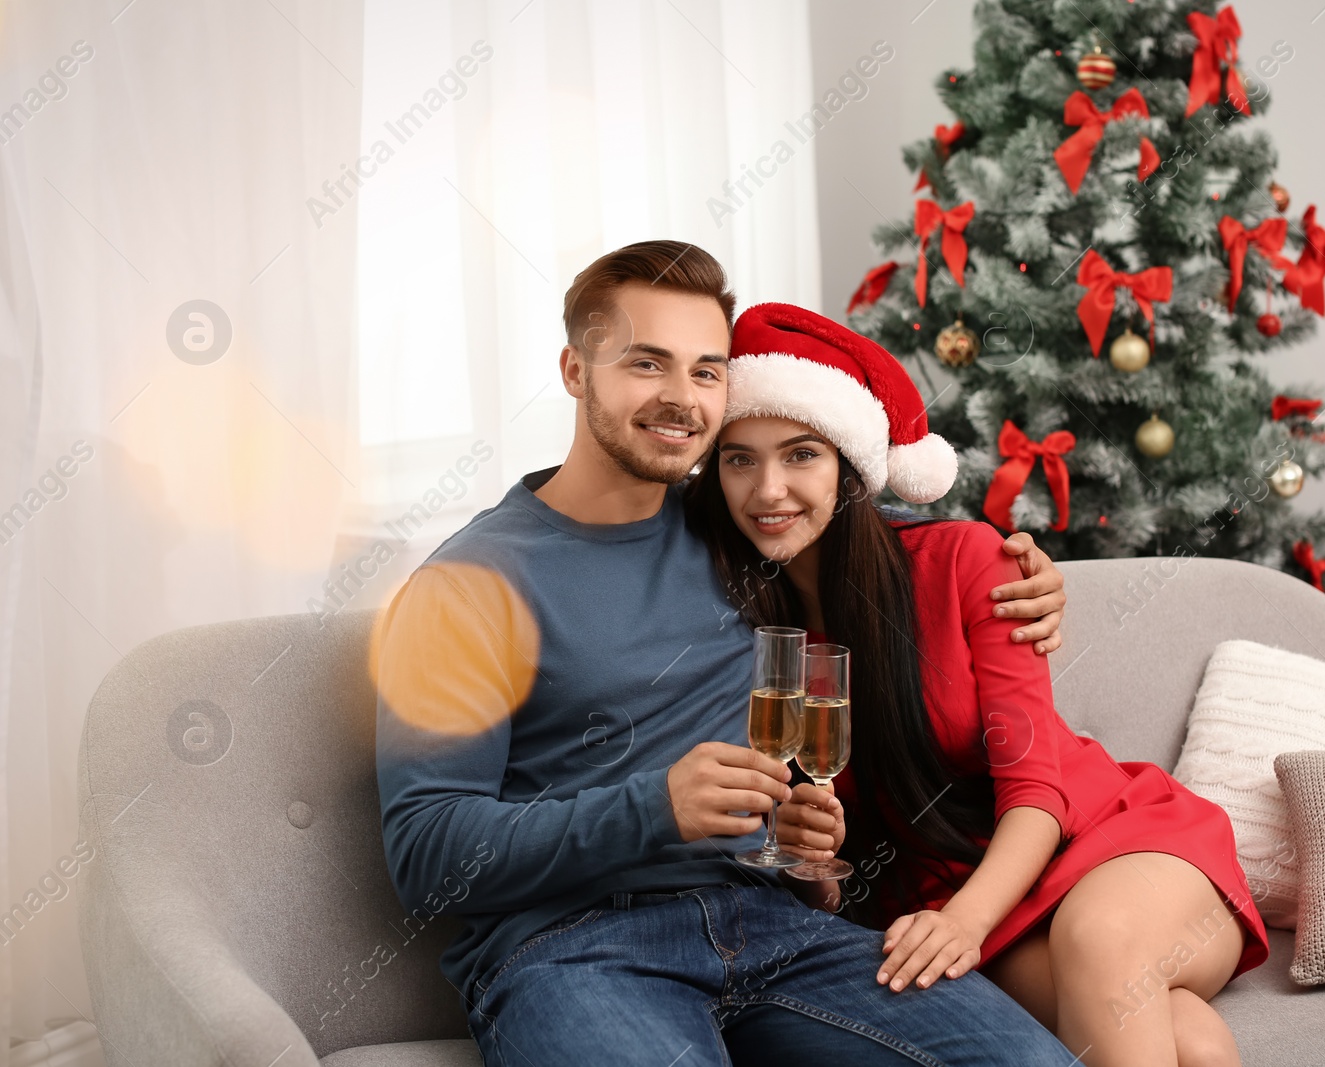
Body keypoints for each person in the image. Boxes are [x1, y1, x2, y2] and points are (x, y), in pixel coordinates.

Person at [372, 241, 1085, 1067]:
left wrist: (1020, 568)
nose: (682, 398)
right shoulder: (465, 586)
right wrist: (654, 807)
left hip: (779, 928)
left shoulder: (733, 529)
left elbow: (853, 525)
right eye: (647, 363)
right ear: (575, 370)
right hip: (572, 949)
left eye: (707, 371)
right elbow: (426, 855)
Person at [681, 302, 1271, 1067]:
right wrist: (813, 865)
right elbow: (827, 855)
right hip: (954, 897)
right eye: (739, 458)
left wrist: (964, 921)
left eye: (801, 455)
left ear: (850, 468)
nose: (769, 489)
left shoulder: (966, 560)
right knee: (1181, 1035)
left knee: (1101, 943)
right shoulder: (740, 619)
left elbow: (1036, 789)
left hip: (1110, 840)